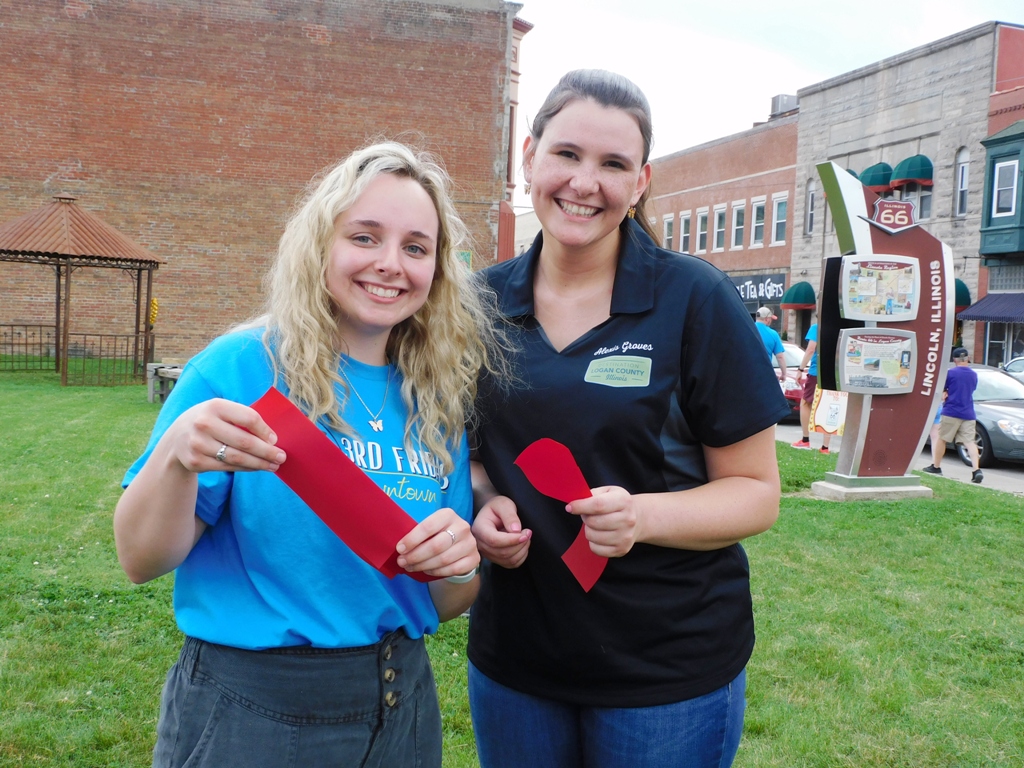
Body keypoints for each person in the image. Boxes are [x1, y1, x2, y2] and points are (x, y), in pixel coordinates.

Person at [113, 142, 510, 767]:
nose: (390, 264)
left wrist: (460, 567)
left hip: (403, 707)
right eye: (364, 237)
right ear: (321, 244)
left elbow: (442, 601)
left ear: (437, 270)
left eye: (415, 247)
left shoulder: (434, 397)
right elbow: (140, 559)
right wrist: (174, 459)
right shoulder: (241, 368)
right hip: (256, 711)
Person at [467, 69, 791, 768]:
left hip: (665, 671)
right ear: (529, 156)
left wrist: (641, 516)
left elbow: (756, 493)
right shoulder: (476, 305)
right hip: (517, 660)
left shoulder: (694, 299)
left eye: (613, 164)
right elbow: (461, 451)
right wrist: (484, 499)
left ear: (640, 182)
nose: (585, 183)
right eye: (567, 154)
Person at [922, 347, 982, 483]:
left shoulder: (950, 373)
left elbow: (942, 389)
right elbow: (972, 389)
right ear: (967, 359)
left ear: (954, 360)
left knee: (941, 439)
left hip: (951, 411)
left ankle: (936, 466)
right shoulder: (973, 375)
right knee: (970, 442)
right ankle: (976, 470)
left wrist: (945, 391)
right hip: (968, 412)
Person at [791, 321, 832, 454]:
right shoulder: (836, 327)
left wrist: (800, 369)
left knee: (805, 403)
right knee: (828, 407)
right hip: (833, 373)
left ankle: (805, 440)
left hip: (816, 372)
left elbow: (810, 349)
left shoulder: (816, 327)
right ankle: (825, 447)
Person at [754, 306, 787, 379]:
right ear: (767, 319)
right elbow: (780, 357)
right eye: (771, 319)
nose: (771, 321)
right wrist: (784, 374)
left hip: (746, 372)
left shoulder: (747, 330)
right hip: (764, 373)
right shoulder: (773, 334)